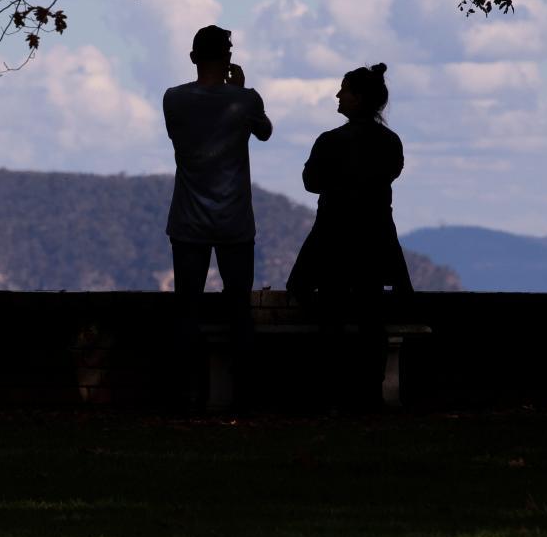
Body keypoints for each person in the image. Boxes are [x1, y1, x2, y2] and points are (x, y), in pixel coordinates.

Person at [286, 62, 412, 407]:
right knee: (372, 319)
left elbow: (311, 182)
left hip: (332, 241)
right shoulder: (390, 142)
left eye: (344, 90)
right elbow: (392, 173)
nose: (338, 95)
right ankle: (369, 392)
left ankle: (333, 390)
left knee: (330, 317)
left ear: (358, 98)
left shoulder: (330, 141)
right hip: (376, 241)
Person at [163, 25, 272, 409]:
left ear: (193, 57)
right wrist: (240, 90)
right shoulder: (246, 100)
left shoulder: (174, 99)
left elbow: (177, 135)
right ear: (228, 59)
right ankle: (245, 395)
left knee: (187, 308)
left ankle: (185, 395)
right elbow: (265, 132)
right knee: (239, 307)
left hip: (188, 219)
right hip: (235, 220)